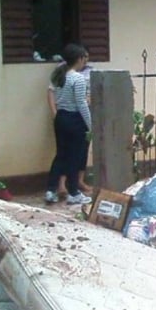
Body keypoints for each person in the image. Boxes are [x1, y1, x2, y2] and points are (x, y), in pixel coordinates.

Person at [45, 43, 93, 205]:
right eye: (83, 58)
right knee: (74, 156)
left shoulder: (60, 75)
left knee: (61, 154)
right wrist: (90, 124)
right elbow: (81, 104)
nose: (85, 61)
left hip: (61, 117)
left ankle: (50, 190)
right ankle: (73, 192)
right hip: (74, 119)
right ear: (79, 59)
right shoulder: (78, 78)